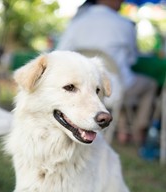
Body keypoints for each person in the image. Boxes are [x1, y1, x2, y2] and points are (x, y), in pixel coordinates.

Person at [57, 0, 157, 145]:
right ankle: (138, 130)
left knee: (116, 87)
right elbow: (132, 59)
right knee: (149, 85)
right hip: (114, 87)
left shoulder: (77, 22)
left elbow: (60, 52)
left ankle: (122, 128)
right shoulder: (125, 24)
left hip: (84, 87)